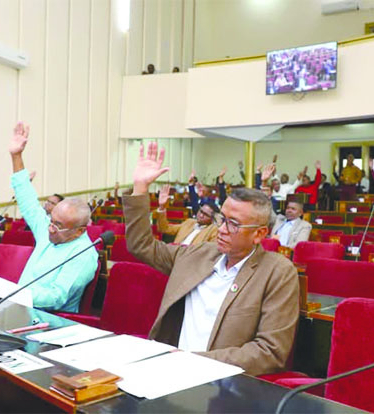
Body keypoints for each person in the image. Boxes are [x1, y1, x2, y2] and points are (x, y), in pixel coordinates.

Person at [122, 142, 299, 376]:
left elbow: (270, 352)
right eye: (221, 219)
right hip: (169, 370)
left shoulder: (277, 272)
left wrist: (194, 361)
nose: (222, 229)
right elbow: (141, 245)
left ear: (259, 234)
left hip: (221, 383)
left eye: (233, 224)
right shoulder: (198, 254)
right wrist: (140, 189)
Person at [3, 122, 98, 312]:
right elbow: (28, 201)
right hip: (17, 307)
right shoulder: (48, 231)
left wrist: (12, 293)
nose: (50, 228)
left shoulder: (84, 254)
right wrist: (16, 156)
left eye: (58, 225)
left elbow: (56, 297)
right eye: (51, 221)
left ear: (79, 230)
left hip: (50, 322)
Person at [153, 184, 219, 245]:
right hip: (174, 253)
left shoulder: (212, 230)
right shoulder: (189, 222)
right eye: (201, 211)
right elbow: (164, 228)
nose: (201, 215)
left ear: (212, 219)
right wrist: (162, 207)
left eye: (206, 215)